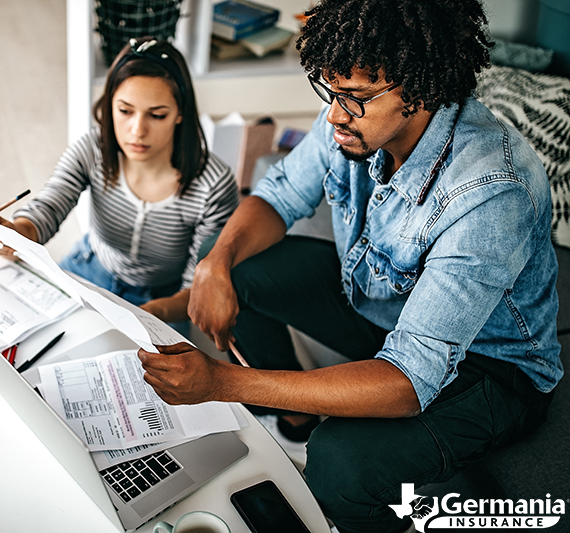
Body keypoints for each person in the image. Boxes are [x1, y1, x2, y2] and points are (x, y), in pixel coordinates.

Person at [137, 1, 563, 531]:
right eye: (330, 92)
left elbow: (408, 382)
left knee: (341, 462)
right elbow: (279, 196)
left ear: (421, 88)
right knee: (235, 263)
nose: (336, 115)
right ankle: (295, 418)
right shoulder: (352, 117)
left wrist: (223, 383)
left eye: (356, 99)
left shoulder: (492, 190)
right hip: (383, 301)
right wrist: (214, 264)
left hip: (490, 369)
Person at [0, 37, 238, 327]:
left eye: (157, 115)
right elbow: (49, 206)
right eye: (124, 111)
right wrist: (13, 234)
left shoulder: (213, 185)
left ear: (180, 113)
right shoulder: (92, 148)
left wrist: (150, 315)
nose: (137, 131)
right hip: (91, 267)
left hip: (166, 300)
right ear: (109, 105)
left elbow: (198, 286)